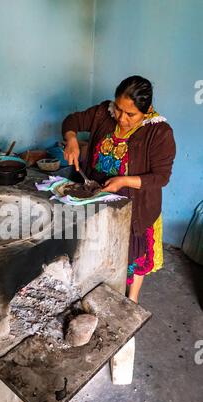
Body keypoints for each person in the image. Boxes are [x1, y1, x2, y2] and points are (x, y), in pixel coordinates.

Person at [62, 76, 176, 303]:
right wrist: (72, 139)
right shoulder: (104, 112)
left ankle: (131, 300)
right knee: (99, 250)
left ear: (146, 110)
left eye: (130, 114)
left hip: (135, 207)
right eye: (119, 109)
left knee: (132, 257)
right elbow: (71, 120)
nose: (121, 118)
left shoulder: (159, 132)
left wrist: (123, 181)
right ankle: (100, 285)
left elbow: (161, 177)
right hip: (98, 198)